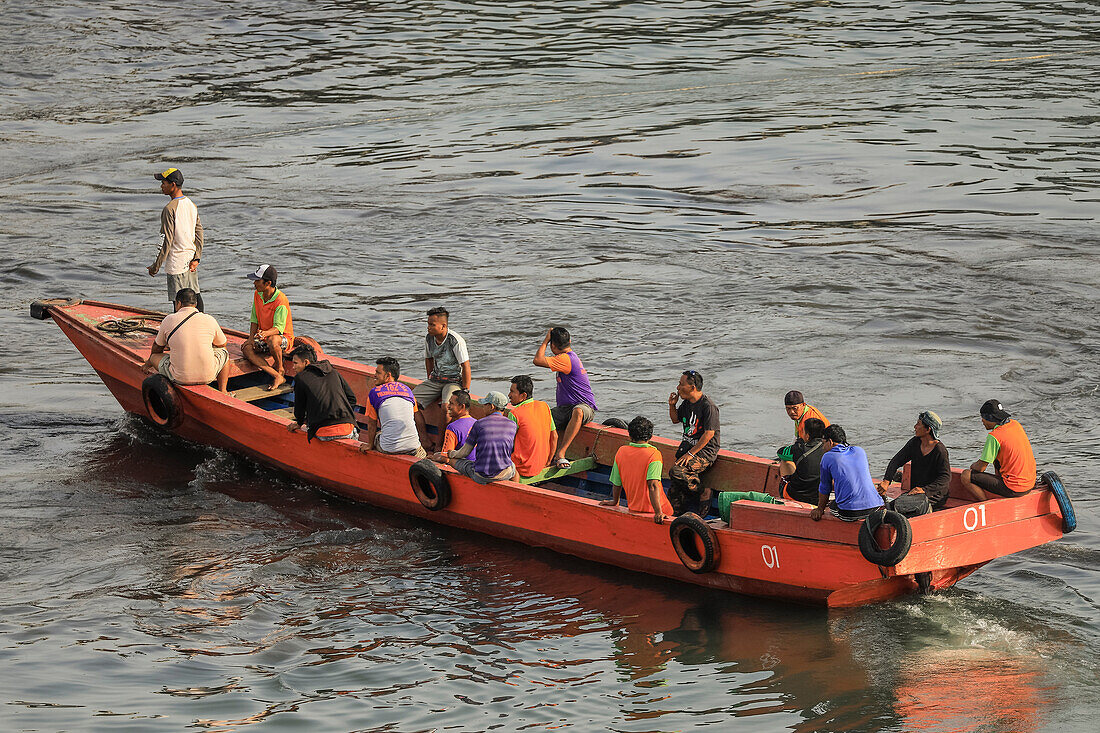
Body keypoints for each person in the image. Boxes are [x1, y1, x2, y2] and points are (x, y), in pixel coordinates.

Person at [141, 288, 229, 392]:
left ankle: (148, 365)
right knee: (224, 352)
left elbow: (157, 347)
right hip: (208, 376)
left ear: (178, 303)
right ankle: (223, 390)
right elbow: (222, 344)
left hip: (179, 377)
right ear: (195, 304)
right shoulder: (209, 319)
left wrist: (148, 364)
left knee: (154, 357)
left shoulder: (169, 319)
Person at [533, 327, 597, 469]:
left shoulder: (565, 359)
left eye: (550, 344)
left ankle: (560, 453)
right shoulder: (565, 357)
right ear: (570, 341)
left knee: (578, 411)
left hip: (585, 407)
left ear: (553, 346)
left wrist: (545, 340)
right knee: (540, 418)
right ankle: (542, 456)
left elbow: (537, 360)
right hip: (565, 409)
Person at [413, 307, 471, 450]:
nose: (429, 328)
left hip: (453, 381)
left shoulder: (455, 340)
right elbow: (428, 360)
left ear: (443, 326)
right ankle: (425, 440)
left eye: (432, 325)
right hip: (435, 380)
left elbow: (466, 366)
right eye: (428, 324)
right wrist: (429, 379)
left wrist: (465, 390)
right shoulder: (429, 339)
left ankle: (439, 445)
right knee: (409, 401)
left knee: (446, 407)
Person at [148, 168, 205, 312]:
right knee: (195, 297)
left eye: (164, 183)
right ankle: (201, 324)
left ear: (173, 185)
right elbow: (199, 232)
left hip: (177, 263)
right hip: (190, 261)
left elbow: (166, 241)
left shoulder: (169, 209)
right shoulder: (191, 205)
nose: (161, 186)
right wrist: (197, 258)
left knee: (179, 304)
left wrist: (156, 265)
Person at [599, 416, 673, 524]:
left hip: (634, 508)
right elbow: (653, 485)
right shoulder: (654, 454)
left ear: (630, 435)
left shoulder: (621, 451)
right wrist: (658, 512)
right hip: (660, 511)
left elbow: (616, 481)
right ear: (650, 436)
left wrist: (615, 501)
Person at [432, 391, 518, 484]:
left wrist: (451, 454)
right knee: (514, 470)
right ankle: (515, 488)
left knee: (453, 461)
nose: (483, 407)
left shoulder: (479, 424)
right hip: (504, 472)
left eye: (485, 405)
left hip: (481, 475)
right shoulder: (512, 425)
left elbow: (464, 453)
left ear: (492, 407)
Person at [667, 370, 721, 516]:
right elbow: (675, 419)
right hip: (688, 449)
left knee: (676, 471)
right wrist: (672, 405)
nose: (678, 387)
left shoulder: (708, 406)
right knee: (673, 491)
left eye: (681, 384)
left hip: (705, 452)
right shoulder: (686, 403)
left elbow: (709, 433)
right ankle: (678, 515)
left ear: (692, 387)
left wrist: (691, 454)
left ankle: (703, 491)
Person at [959, 400, 1036, 501]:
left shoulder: (994, 436)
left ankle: (985, 504)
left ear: (990, 418)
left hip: (1014, 488)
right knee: (999, 459)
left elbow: (981, 468)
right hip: (1030, 483)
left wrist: (973, 466)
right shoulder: (1015, 425)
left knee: (966, 475)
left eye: (983, 417)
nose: (982, 421)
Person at [877, 411, 952, 510]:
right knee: (889, 508)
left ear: (928, 429)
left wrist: (924, 490)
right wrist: (887, 480)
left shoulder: (940, 450)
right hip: (915, 494)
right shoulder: (914, 443)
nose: (915, 427)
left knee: (899, 509)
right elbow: (896, 461)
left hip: (934, 496)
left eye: (918, 424)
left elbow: (945, 477)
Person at [285, 342, 358, 442]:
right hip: (348, 429)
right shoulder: (333, 372)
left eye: (295, 363)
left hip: (324, 433)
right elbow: (352, 398)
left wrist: (299, 423)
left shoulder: (301, 378)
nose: (293, 367)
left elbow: (299, 407)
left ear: (306, 362)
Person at [811, 425, 884, 521]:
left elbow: (825, 487)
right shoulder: (859, 451)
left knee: (832, 505)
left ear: (830, 442)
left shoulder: (827, 457)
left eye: (823, 443)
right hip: (876, 506)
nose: (823, 448)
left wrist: (820, 509)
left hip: (851, 512)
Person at [240, 264, 294, 391]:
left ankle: (280, 368)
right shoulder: (257, 294)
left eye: (257, 281)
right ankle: (276, 375)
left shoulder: (281, 300)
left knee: (273, 340)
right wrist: (251, 338)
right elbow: (254, 319)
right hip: (264, 337)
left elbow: (279, 328)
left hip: (282, 339)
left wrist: (264, 334)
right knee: (246, 348)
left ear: (268, 283)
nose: (254, 283)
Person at [359, 357, 425, 458]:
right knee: (423, 454)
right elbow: (417, 417)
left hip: (389, 448)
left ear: (388, 375)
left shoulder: (374, 393)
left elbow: (372, 424)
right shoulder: (407, 390)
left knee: (378, 434)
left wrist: (370, 445)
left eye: (378, 373)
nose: (375, 375)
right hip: (413, 446)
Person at [506, 375, 557, 478]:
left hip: (523, 468)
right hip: (542, 464)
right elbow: (554, 437)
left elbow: (506, 444)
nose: (509, 395)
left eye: (512, 392)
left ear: (523, 396)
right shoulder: (544, 406)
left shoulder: (514, 413)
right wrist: (548, 460)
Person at [779, 417, 827, 504]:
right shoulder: (828, 449)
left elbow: (781, 452)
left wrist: (798, 443)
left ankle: (784, 497)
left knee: (784, 461)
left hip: (796, 495)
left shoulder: (799, 448)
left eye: (803, 432)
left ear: (807, 436)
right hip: (817, 497)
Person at [440, 389, 477, 463]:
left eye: (451, 403)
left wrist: (435, 457)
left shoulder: (452, 428)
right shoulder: (477, 423)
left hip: (464, 468)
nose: (448, 406)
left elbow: (445, 458)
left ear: (461, 407)